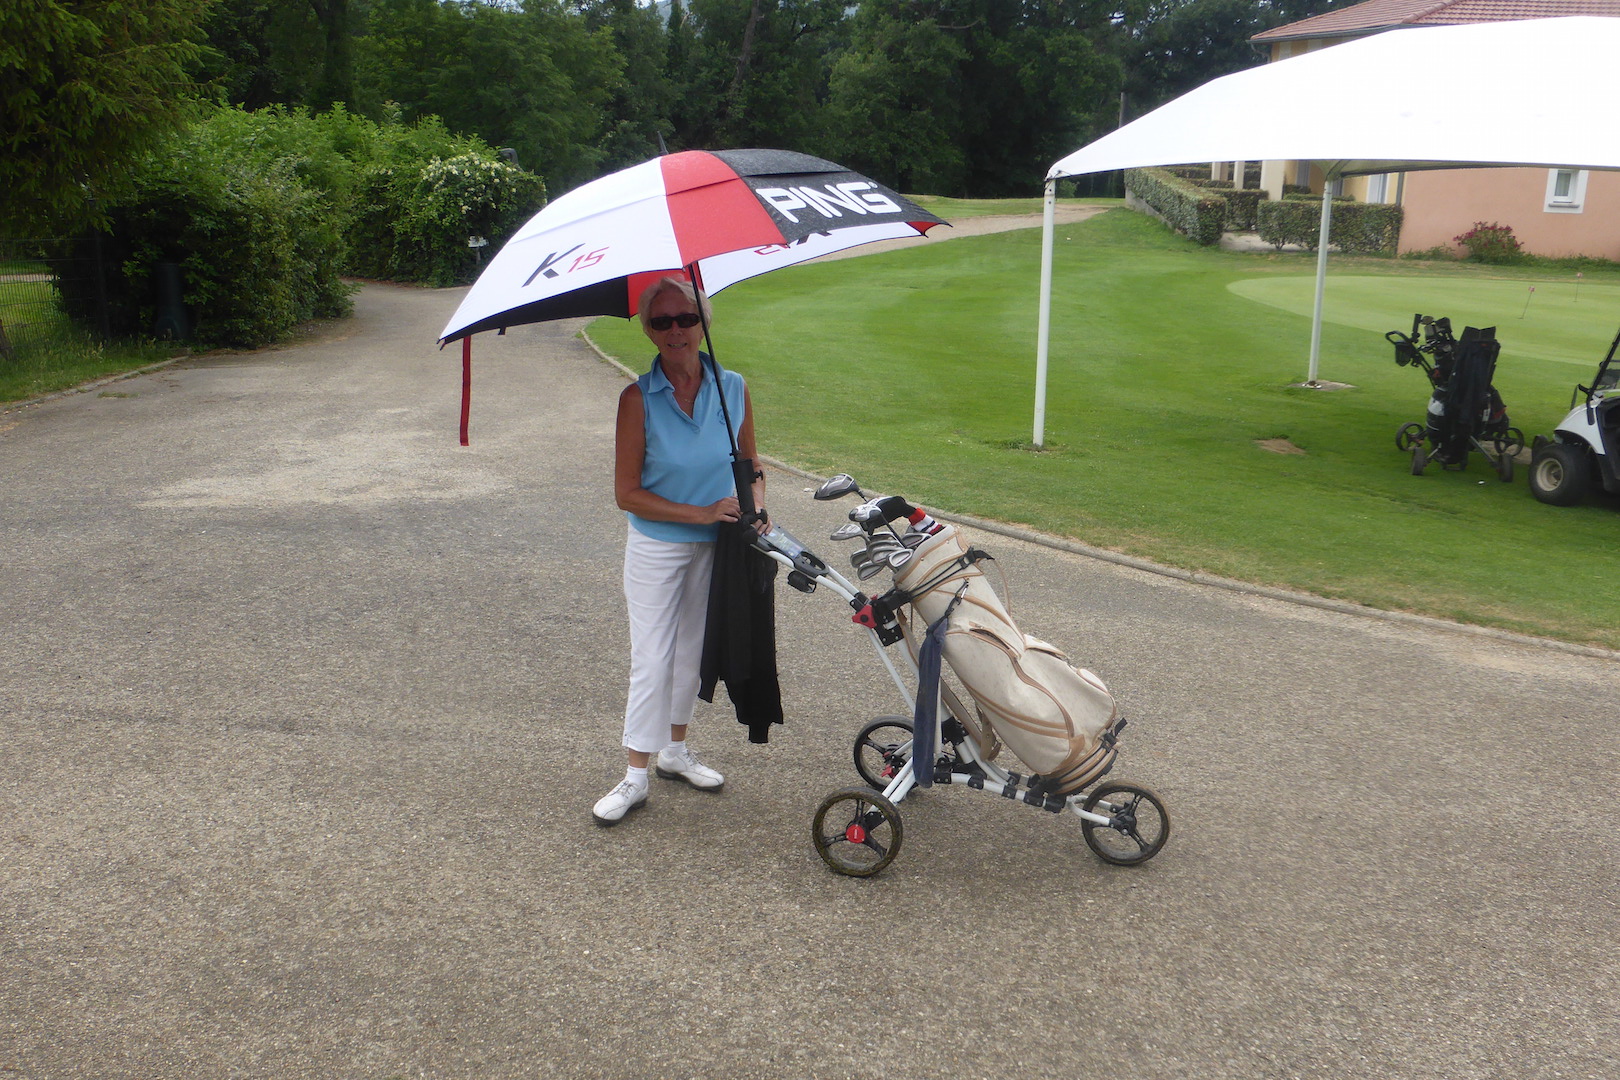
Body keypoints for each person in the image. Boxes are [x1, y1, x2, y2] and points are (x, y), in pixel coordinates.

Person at [593, 276, 766, 825]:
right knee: (653, 657)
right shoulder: (636, 398)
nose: (675, 331)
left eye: (686, 319)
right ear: (648, 330)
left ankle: (674, 750)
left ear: (702, 324)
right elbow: (627, 494)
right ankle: (635, 775)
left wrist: (756, 507)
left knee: (692, 653)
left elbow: (751, 463)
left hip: (719, 546)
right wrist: (701, 513)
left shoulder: (732, 386)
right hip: (658, 546)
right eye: (662, 322)